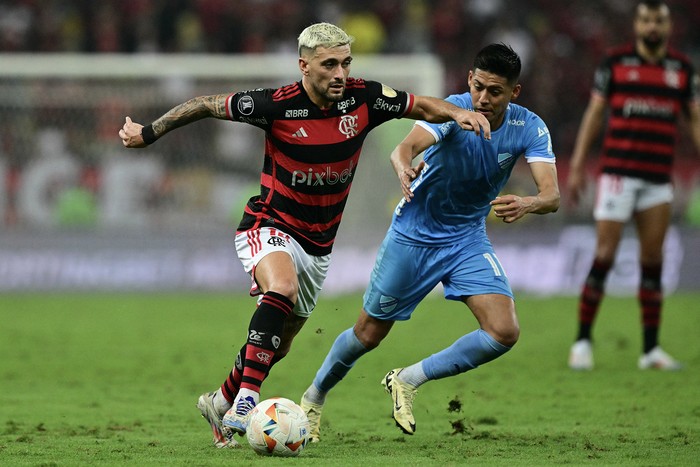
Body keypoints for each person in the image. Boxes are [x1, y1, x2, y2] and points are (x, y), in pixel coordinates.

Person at [119, 22, 490, 449]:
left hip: (319, 247)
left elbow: (421, 106)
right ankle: (246, 401)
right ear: (304, 66)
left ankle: (219, 401)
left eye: (346, 63)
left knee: (278, 343)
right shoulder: (275, 105)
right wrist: (148, 133)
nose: (340, 73)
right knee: (282, 288)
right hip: (269, 224)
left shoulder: (364, 98)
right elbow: (205, 104)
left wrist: (458, 112)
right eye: (329, 64)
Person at [299, 43, 559, 441]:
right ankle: (313, 399)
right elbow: (405, 149)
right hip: (414, 235)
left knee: (503, 332)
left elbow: (552, 196)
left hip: (467, 238)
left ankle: (408, 378)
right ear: (469, 80)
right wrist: (403, 166)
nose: (483, 99)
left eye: (495, 92)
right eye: (478, 87)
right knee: (368, 334)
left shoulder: (530, 127)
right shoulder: (452, 110)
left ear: (514, 93)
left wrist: (528, 202)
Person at [567, 0, 700, 371]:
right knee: (605, 256)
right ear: (637, 25)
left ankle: (650, 351)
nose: (652, 26)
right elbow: (594, 113)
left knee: (653, 262)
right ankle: (581, 342)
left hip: (658, 178)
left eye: (658, 19)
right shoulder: (616, 63)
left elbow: (695, 120)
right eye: (646, 20)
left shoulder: (682, 69)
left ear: (668, 26)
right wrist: (578, 164)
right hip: (617, 175)